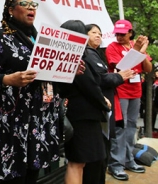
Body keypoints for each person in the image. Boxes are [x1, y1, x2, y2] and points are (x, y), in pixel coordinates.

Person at [0, 0, 61, 184]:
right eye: (25, 3)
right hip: (13, 124)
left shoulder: (39, 39)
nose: (32, 8)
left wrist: (70, 69)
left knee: (31, 175)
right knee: (14, 178)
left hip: (38, 121)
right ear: (11, 10)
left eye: (34, 5)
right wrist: (7, 79)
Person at [57, 20, 111, 184]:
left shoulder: (62, 57)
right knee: (77, 162)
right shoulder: (76, 59)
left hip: (77, 116)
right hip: (82, 118)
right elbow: (91, 87)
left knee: (79, 161)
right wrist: (104, 103)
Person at [83, 24, 134, 184]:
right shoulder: (87, 55)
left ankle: (128, 160)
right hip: (96, 110)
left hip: (108, 107)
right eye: (93, 33)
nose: (98, 36)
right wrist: (119, 76)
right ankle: (116, 165)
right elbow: (100, 79)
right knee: (96, 157)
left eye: (99, 33)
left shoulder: (96, 54)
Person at [106, 19, 152, 181]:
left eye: (122, 34)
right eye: (117, 34)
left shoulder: (135, 46)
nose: (119, 37)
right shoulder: (112, 47)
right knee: (120, 127)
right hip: (120, 92)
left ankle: (128, 160)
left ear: (130, 33)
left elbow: (148, 68)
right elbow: (120, 66)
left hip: (136, 91)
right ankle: (116, 164)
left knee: (132, 126)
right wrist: (138, 50)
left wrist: (142, 53)